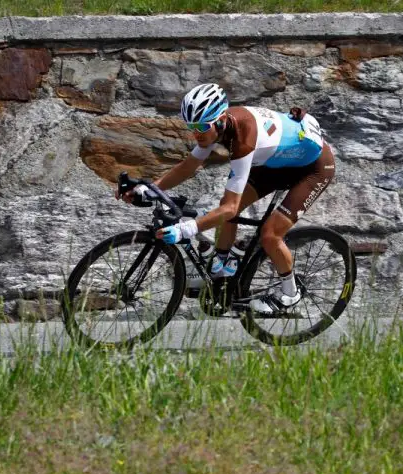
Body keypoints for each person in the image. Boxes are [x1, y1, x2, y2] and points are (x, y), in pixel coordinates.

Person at [117, 83, 335, 314]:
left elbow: (231, 208)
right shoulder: (214, 128)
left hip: (313, 168)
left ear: (220, 119)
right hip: (278, 162)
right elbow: (188, 167)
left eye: (202, 127)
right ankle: (223, 265)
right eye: (192, 127)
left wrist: (186, 230)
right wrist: (149, 188)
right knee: (225, 207)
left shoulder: (242, 138)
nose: (197, 133)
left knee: (270, 234)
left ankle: (290, 293)